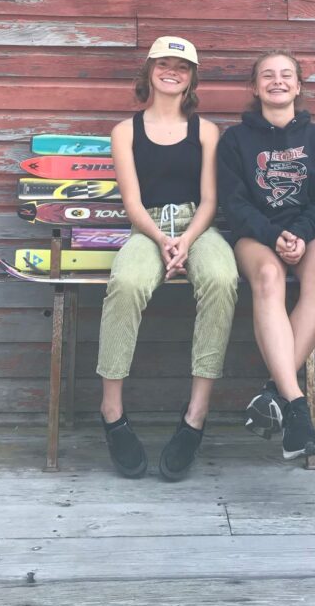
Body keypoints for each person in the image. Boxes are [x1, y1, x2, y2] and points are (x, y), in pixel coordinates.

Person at [97, 35, 238, 481]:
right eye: (163, 63)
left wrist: (186, 239)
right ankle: (112, 409)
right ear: (149, 70)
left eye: (182, 65)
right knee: (127, 283)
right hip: (148, 227)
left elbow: (212, 199)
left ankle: (195, 414)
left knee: (221, 278)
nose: (171, 70)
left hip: (199, 224)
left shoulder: (207, 132)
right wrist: (162, 239)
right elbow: (132, 202)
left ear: (192, 76)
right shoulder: (125, 131)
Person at [216, 50, 315, 460]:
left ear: (298, 85)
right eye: (267, 75)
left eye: (286, 75)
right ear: (255, 87)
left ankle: (274, 394)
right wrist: (274, 236)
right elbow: (233, 203)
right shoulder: (234, 141)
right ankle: (296, 406)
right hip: (256, 236)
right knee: (269, 278)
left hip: (310, 234)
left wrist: (301, 235)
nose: (277, 81)